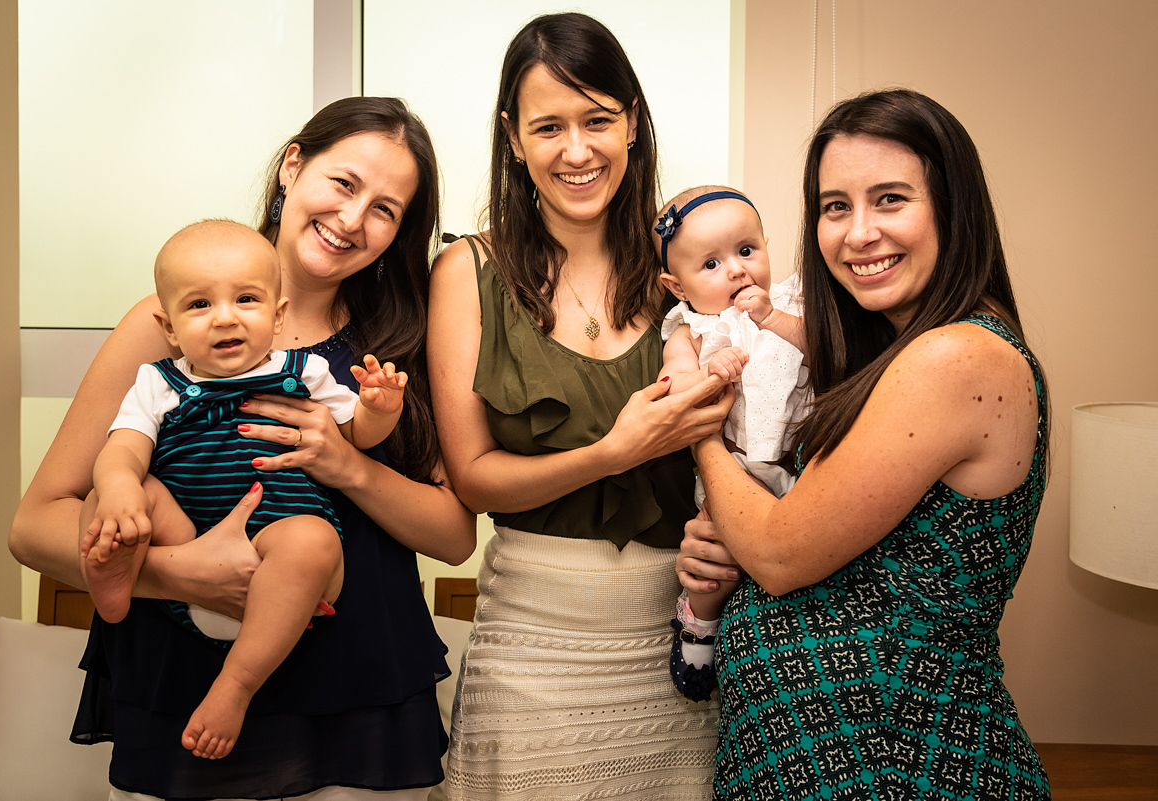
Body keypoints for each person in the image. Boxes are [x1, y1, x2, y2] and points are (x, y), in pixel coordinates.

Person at [9, 97, 476, 800]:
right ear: (293, 165)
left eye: (385, 208)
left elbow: (453, 536)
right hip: (186, 689)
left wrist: (346, 464)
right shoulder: (163, 327)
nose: (352, 219)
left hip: (360, 690)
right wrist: (178, 572)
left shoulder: (398, 342)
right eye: (343, 184)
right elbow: (34, 524)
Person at [675, 89, 1051, 799]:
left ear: (952, 207)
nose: (858, 233)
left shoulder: (956, 357)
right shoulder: (891, 354)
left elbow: (783, 552)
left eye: (890, 199)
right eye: (835, 206)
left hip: (895, 763)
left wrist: (702, 436)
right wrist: (724, 536)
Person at [428, 13, 732, 801]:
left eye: (598, 119)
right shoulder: (467, 270)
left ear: (632, 121)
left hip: (681, 646)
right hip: (530, 649)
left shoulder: (690, 264)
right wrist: (613, 452)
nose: (576, 150)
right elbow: (473, 478)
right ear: (513, 136)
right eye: (548, 126)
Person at [80, 219, 410, 760]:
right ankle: (117, 570)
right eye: (199, 305)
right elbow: (122, 447)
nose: (225, 317)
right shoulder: (159, 382)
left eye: (246, 299)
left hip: (284, 564)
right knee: (117, 493)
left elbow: (355, 436)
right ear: (168, 326)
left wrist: (378, 409)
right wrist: (119, 491)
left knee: (313, 539)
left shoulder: (304, 372)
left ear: (278, 316)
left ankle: (233, 687)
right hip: (189, 557)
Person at [651, 186, 809, 699]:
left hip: (799, 466)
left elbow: (830, 353)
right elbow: (672, 389)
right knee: (713, 559)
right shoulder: (690, 329)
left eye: (746, 251)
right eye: (712, 264)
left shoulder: (792, 301)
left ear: (767, 244)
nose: (738, 270)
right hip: (731, 471)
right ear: (677, 286)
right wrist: (708, 375)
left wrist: (772, 319)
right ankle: (700, 625)